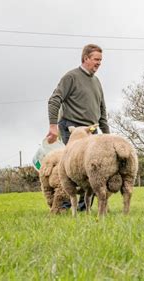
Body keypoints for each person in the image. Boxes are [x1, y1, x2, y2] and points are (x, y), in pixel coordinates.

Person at [46, 44, 110, 210]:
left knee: (94, 170)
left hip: (92, 131)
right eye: (96, 59)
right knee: (72, 169)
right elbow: (54, 100)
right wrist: (53, 126)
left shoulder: (97, 82)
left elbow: (102, 110)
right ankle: (65, 205)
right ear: (85, 58)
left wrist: (108, 136)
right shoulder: (71, 77)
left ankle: (84, 207)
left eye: (100, 60)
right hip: (72, 129)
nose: (99, 63)